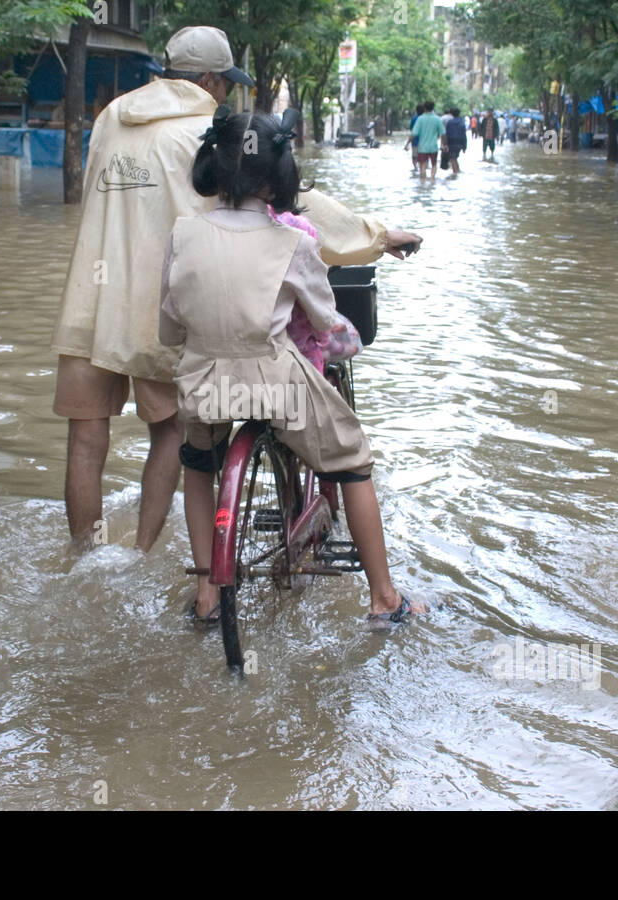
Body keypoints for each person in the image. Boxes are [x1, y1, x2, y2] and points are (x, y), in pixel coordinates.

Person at [51, 25, 423, 553]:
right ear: (208, 79)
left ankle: (84, 560)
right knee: (171, 435)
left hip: (90, 301)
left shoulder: (112, 116)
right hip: (163, 301)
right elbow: (294, 205)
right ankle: (139, 554)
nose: (224, 92)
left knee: (86, 437)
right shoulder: (213, 130)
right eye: (223, 83)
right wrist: (379, 237)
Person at [159, 109, 427, 625]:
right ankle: (385, 600)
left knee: (197, 463)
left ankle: (207, 598)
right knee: (353, 457)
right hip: (275, 386)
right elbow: (324, 319)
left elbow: (169, 328)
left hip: (202, 384)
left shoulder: (183, 233)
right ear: (276, 176)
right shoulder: (294, 241)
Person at [411, 100, 445, 181]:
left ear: (424, 108)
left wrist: (408, 143)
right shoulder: (437, 119)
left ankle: (422, 182)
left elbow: (414, 133)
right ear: (433, 108)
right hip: (433, 147)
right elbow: (443, 133)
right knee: (433, 164)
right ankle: (432, 180)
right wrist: (444, 145)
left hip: (422, 147)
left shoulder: (420, 119)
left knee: (422, 165)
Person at [443, 107, 467, 178]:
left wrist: (445, 144)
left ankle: (455, 174)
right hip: (460, 143)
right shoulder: (462, 122)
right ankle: (457, 171)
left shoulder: (450, 122)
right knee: (455, 158)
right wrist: (464, 146)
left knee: (453, 159)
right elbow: (464, 134)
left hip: (452, 143)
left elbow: (446, 134)